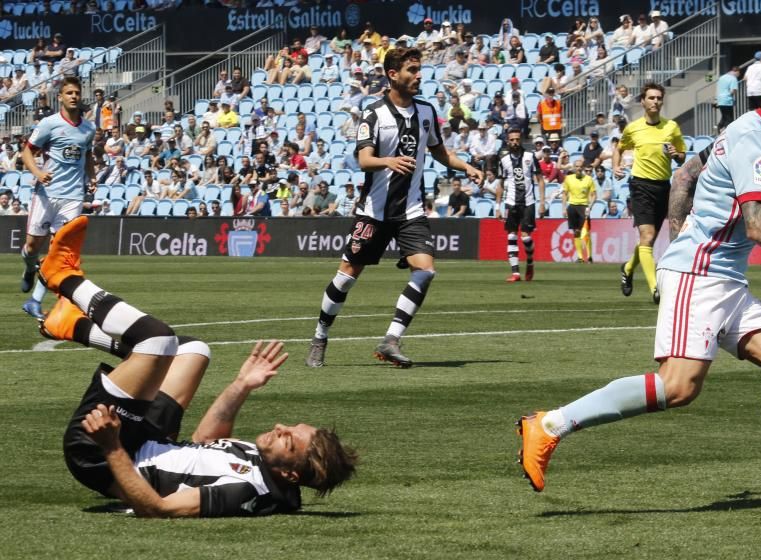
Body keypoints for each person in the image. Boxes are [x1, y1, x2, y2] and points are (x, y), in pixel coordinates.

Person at [519, 38, 761, 497]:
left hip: (721, 278)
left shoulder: (747, 128)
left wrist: (682, 229)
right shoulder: (757, 142)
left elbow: (686, 174)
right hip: (699, 276)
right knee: (678, 386)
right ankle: (547, 425)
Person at [35, 217, 357, 517]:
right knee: (192, 350)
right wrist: (241, 385)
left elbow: (158, 508)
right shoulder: (264, 462)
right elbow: (205, 440)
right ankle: (73, 326)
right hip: (149, 438)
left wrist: (111, 447)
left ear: (290, 473)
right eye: (291, 427)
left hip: (102, 450)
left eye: (288, 440)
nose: (279, 427)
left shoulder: (247, 490)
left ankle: (63, 276)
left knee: (156, 339)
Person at [306, 48, 482, 369]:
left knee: (426, 270)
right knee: (346, 277)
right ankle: (320, 337)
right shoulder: (373, 113)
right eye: (412, 70)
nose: (419, 75)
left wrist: (466, 167)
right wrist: (388, 161)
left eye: (419, 69)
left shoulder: (426, 112)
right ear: (392, 74)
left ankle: (391, 339)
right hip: (374, 212)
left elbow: (441, 153)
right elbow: (364, 159)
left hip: (411, 211)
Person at [19, 76, 96, 320]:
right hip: (46, 194)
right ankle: (30, 267)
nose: (74, 96)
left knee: (59, 250)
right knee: (32, 246)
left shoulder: (89, 128)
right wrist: (38, 173)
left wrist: (91, 176)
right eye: (69, 93)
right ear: (60, 97)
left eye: (77, 92)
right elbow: (27, 152)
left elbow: (88, 155)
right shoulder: (49, 124)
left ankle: (34, 300)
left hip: (73, 196)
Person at [614, 83, 687, 304]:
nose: (655, 101)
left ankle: (627, 268)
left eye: (658, 98)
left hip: (663, 187)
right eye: (651, 98)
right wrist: (615, 167)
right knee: (646, 237)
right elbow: (619, 148)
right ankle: (656, 289)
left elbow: (682, 156)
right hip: (640, 186)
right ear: (643, 102)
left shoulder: (671, 127)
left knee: (650, 239)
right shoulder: (633, 128)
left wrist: (677, 154)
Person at [496, 129, 544, 282]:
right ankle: (515, 273)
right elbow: (501, 184)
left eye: (517, 139)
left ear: (521, 140)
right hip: (511, 203)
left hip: (528, 202)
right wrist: (498, 206)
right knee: (511, 235)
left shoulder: (530, 157)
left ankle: (530, 261)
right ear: (508, 142)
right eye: (512, 140)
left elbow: (540, 180)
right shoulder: (504, 161)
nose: (515, 142)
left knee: (525, 238)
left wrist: (543, 203)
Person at [562, 159, 597, 263]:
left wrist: (590, 206)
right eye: (576, 166)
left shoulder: (589, 179)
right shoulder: (568, 178)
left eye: (580, 166)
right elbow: (564, 193)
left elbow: (594, 195)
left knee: (585, 232)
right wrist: (564, 207)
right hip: (572, 206)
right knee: (576, 232)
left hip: (584, 206)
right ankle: (580, 257)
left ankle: (590, 256)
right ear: (573, 167)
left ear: (583, 168)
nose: (578, 168)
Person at [716, 66, 740, 131]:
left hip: (720, 100)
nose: (738, 75)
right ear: (736, 72)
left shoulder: (722, 77)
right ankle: (727, 132)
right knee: (729, 119)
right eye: (738, 74)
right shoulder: (733, 78)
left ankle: (718, 127)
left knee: (724, 116)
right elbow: (733, 90)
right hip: (727, 100)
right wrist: (732, 97)